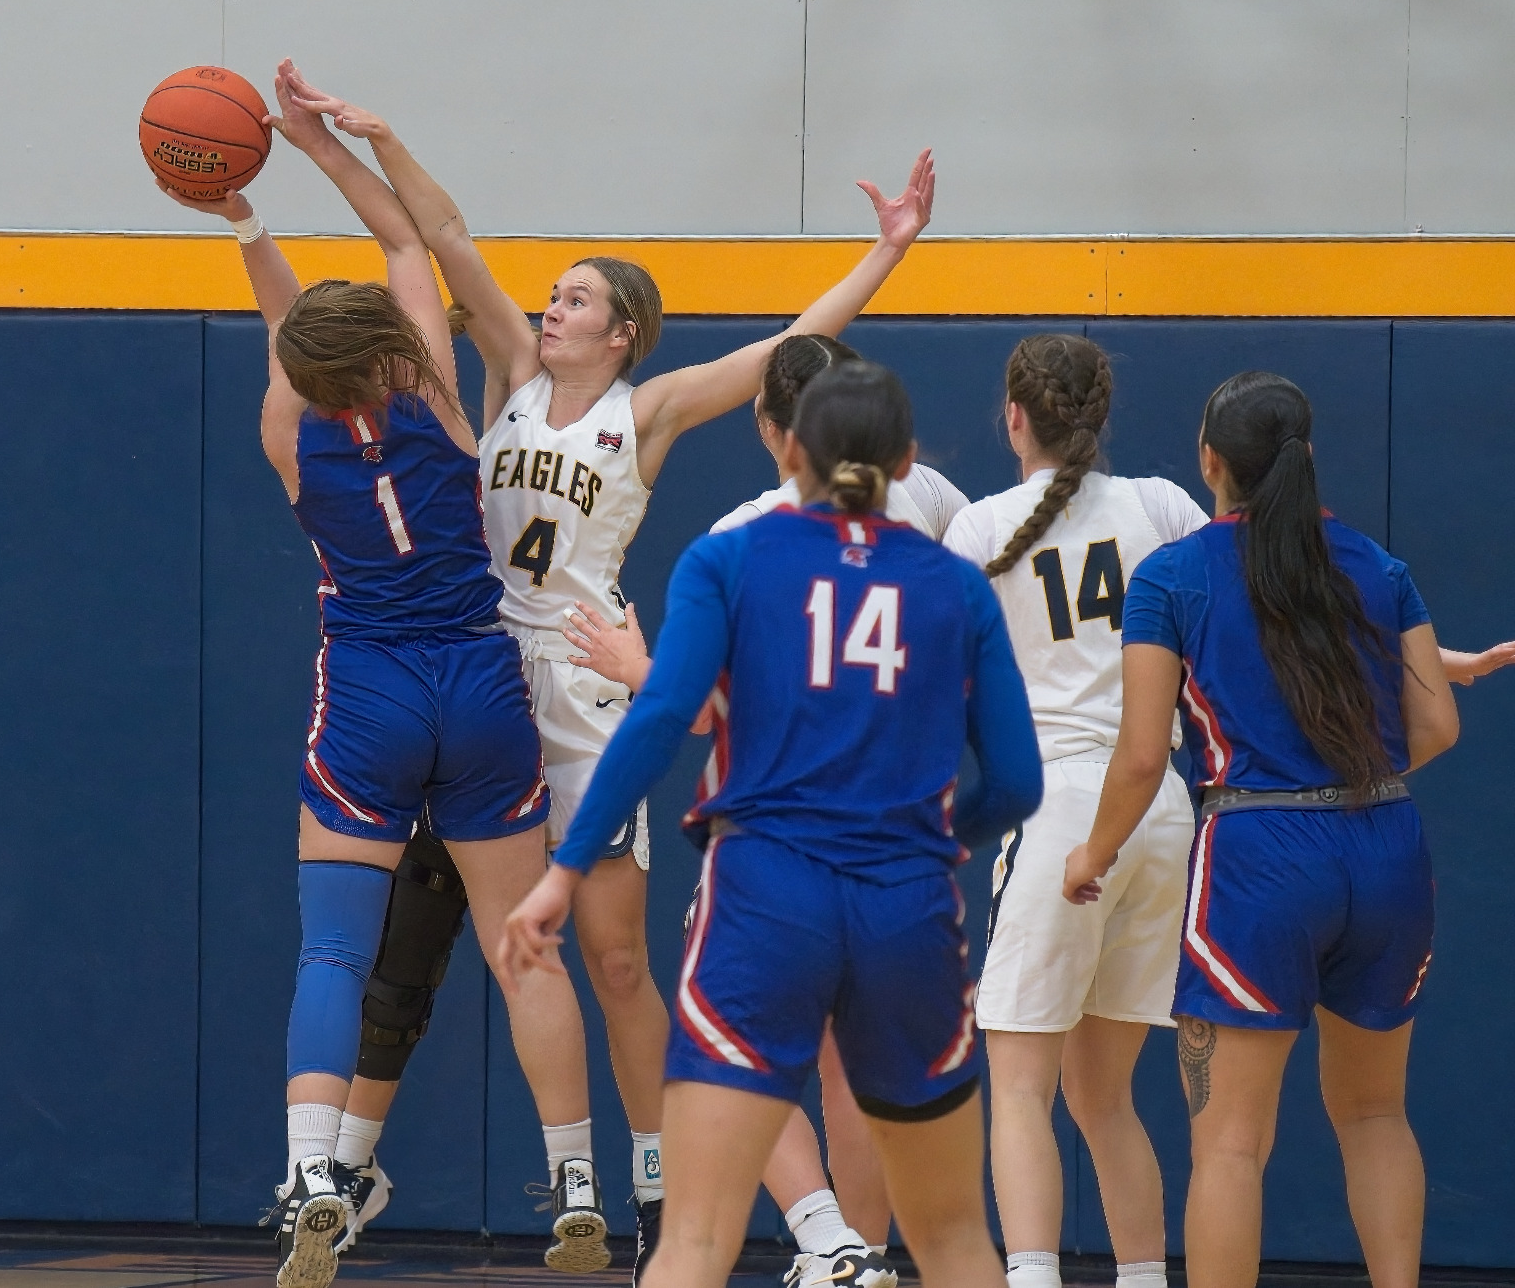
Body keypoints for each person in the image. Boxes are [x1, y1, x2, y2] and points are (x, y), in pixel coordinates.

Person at [276, 60, 935, 1276]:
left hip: (576, 685)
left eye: (573, 299)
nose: (548, 307)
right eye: (550, 295)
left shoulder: (648, 408)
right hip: (467, 663)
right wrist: (365, 139)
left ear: (621, 331)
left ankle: (649, 1181)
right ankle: (347, 1171)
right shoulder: (507, 376)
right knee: (418, 942)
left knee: (617, 957)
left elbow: (792, 349)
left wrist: (885, 254)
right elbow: (440, 234)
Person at [158, 72, 596, 1288]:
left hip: (369, 690)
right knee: (529, 954)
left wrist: (242, 221)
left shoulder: (284, 431)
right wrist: (317, 145)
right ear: (393, 353)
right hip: (481, 681)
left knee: (333, 955)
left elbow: (288, 336)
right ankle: (574, 1186)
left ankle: (311, 1176)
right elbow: (405, 234)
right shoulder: (443, 400)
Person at [504, 359, 1044, 1288]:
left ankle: (829, 1244)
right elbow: (1018, 781)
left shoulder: (734, 557)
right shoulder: (955, 585)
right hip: (906, 907)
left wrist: (564, 870)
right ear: (908, 460)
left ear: (788, 446)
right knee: (955, 1240)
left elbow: (663, 715)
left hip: (766, 894)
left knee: (698, 1240)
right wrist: (936, 843)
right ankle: (852, 1250)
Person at [1062, 372, 1461, 1288]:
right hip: (1387, 845)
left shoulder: (1173, 575)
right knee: (1375, 1117)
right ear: (1308, 460)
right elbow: (1437, 727)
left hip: (1260, 853)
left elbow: (1136, 759)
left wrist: (1093, 854)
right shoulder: (1375, 564)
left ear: (1211, 463)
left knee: (1232, 1145)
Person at [938, 334, 1208, 1288]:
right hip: (1159, 809)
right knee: (1106, 1098)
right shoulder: (1164, 506)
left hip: (1059, 813)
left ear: (1015, 416)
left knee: (1018, 1091)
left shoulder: (977, 528)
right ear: (1101, 413)